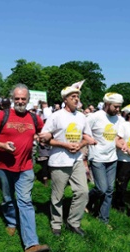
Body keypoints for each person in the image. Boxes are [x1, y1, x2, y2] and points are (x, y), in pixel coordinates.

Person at [0, 84, 50, 252]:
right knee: (7, 198)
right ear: (13, 99)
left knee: (25, 201)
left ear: (28, 100)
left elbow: (44, 133)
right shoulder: (1, 116)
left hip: (26, 167)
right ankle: (11, 221)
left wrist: (45, 136)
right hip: (4, 166)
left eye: (23, 99)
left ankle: (31, 244)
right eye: (17, 98)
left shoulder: (35, 118)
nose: (20, 101)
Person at [40, 80, 92, 237]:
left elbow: (87, 136)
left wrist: (81, 144)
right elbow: (45, 138)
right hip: (59, 160)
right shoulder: (56, 116)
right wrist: (64, 145)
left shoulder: (82, 117)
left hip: (76, 159)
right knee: (58, 194)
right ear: (65, 99)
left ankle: (73, 222)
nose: (76, 99)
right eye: (73, 96)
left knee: (83, 191)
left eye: (77, 96)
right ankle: (56, 224)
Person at [86, 92, 124, 227]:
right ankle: (87, 200)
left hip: (112, 158)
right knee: (101, 188)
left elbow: (119, 137)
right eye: (116, 107)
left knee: (109, 190)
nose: (118, 110)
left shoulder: (119, 119)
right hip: (97, 157)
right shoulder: (94, 117)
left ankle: (103, 219)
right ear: (107, 104)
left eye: (120, 107)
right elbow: (83, 132)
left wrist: (123, 144)